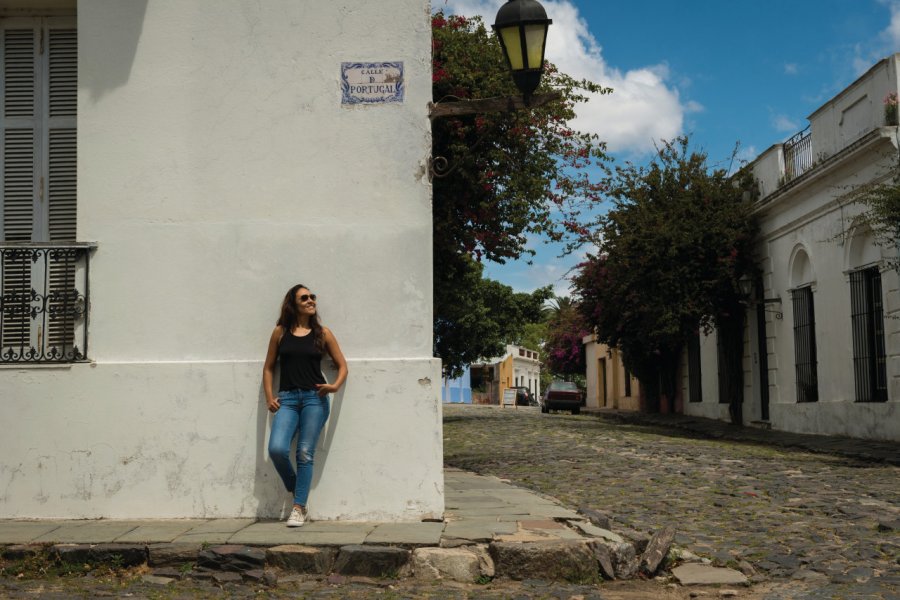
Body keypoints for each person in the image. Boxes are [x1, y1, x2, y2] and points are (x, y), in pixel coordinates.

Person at [263, 284, 348, 527]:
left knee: (304, 453)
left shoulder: (323, 333)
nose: (311, 300)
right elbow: (269, 367)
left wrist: (334, 386)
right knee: (277, 449)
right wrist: (270, 396)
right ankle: (297, 491)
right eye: (305, 298)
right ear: (293, 303)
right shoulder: (280, 333)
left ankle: (299, 508)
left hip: (314, 398)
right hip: (287, 399)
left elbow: (343, 366)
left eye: (313, 297)